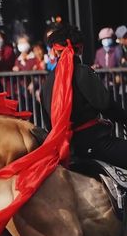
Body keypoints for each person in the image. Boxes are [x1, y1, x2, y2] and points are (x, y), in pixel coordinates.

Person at [41, 23, 127, 168]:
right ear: (80, 48)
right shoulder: (83, 72)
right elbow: (106, 105)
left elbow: (48, 123)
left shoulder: (47, 82)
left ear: (55, 52)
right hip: (94, 143)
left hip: (65, 149)